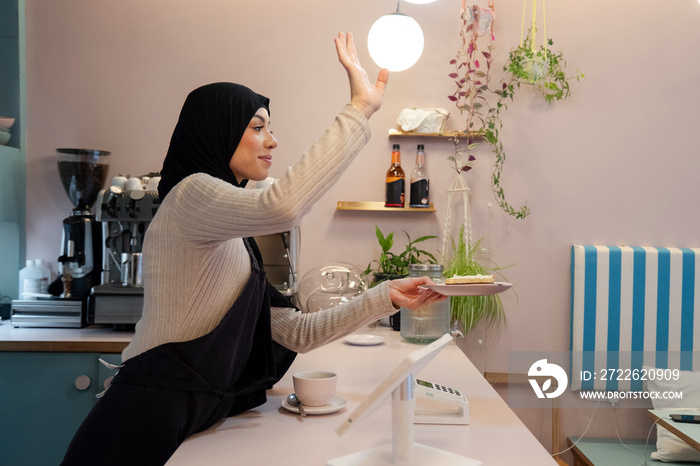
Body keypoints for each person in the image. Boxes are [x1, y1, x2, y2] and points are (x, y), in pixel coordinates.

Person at [61, 32, 446, 465]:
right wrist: (359, 110)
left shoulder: (234, 239)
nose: (272, 141)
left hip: (187, 416)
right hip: (139, 418)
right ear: (218, 132)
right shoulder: (191, 196)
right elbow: (284, 206)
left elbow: (297, 332)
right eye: (258, 127)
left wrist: (384, 297)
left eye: (270, 128)